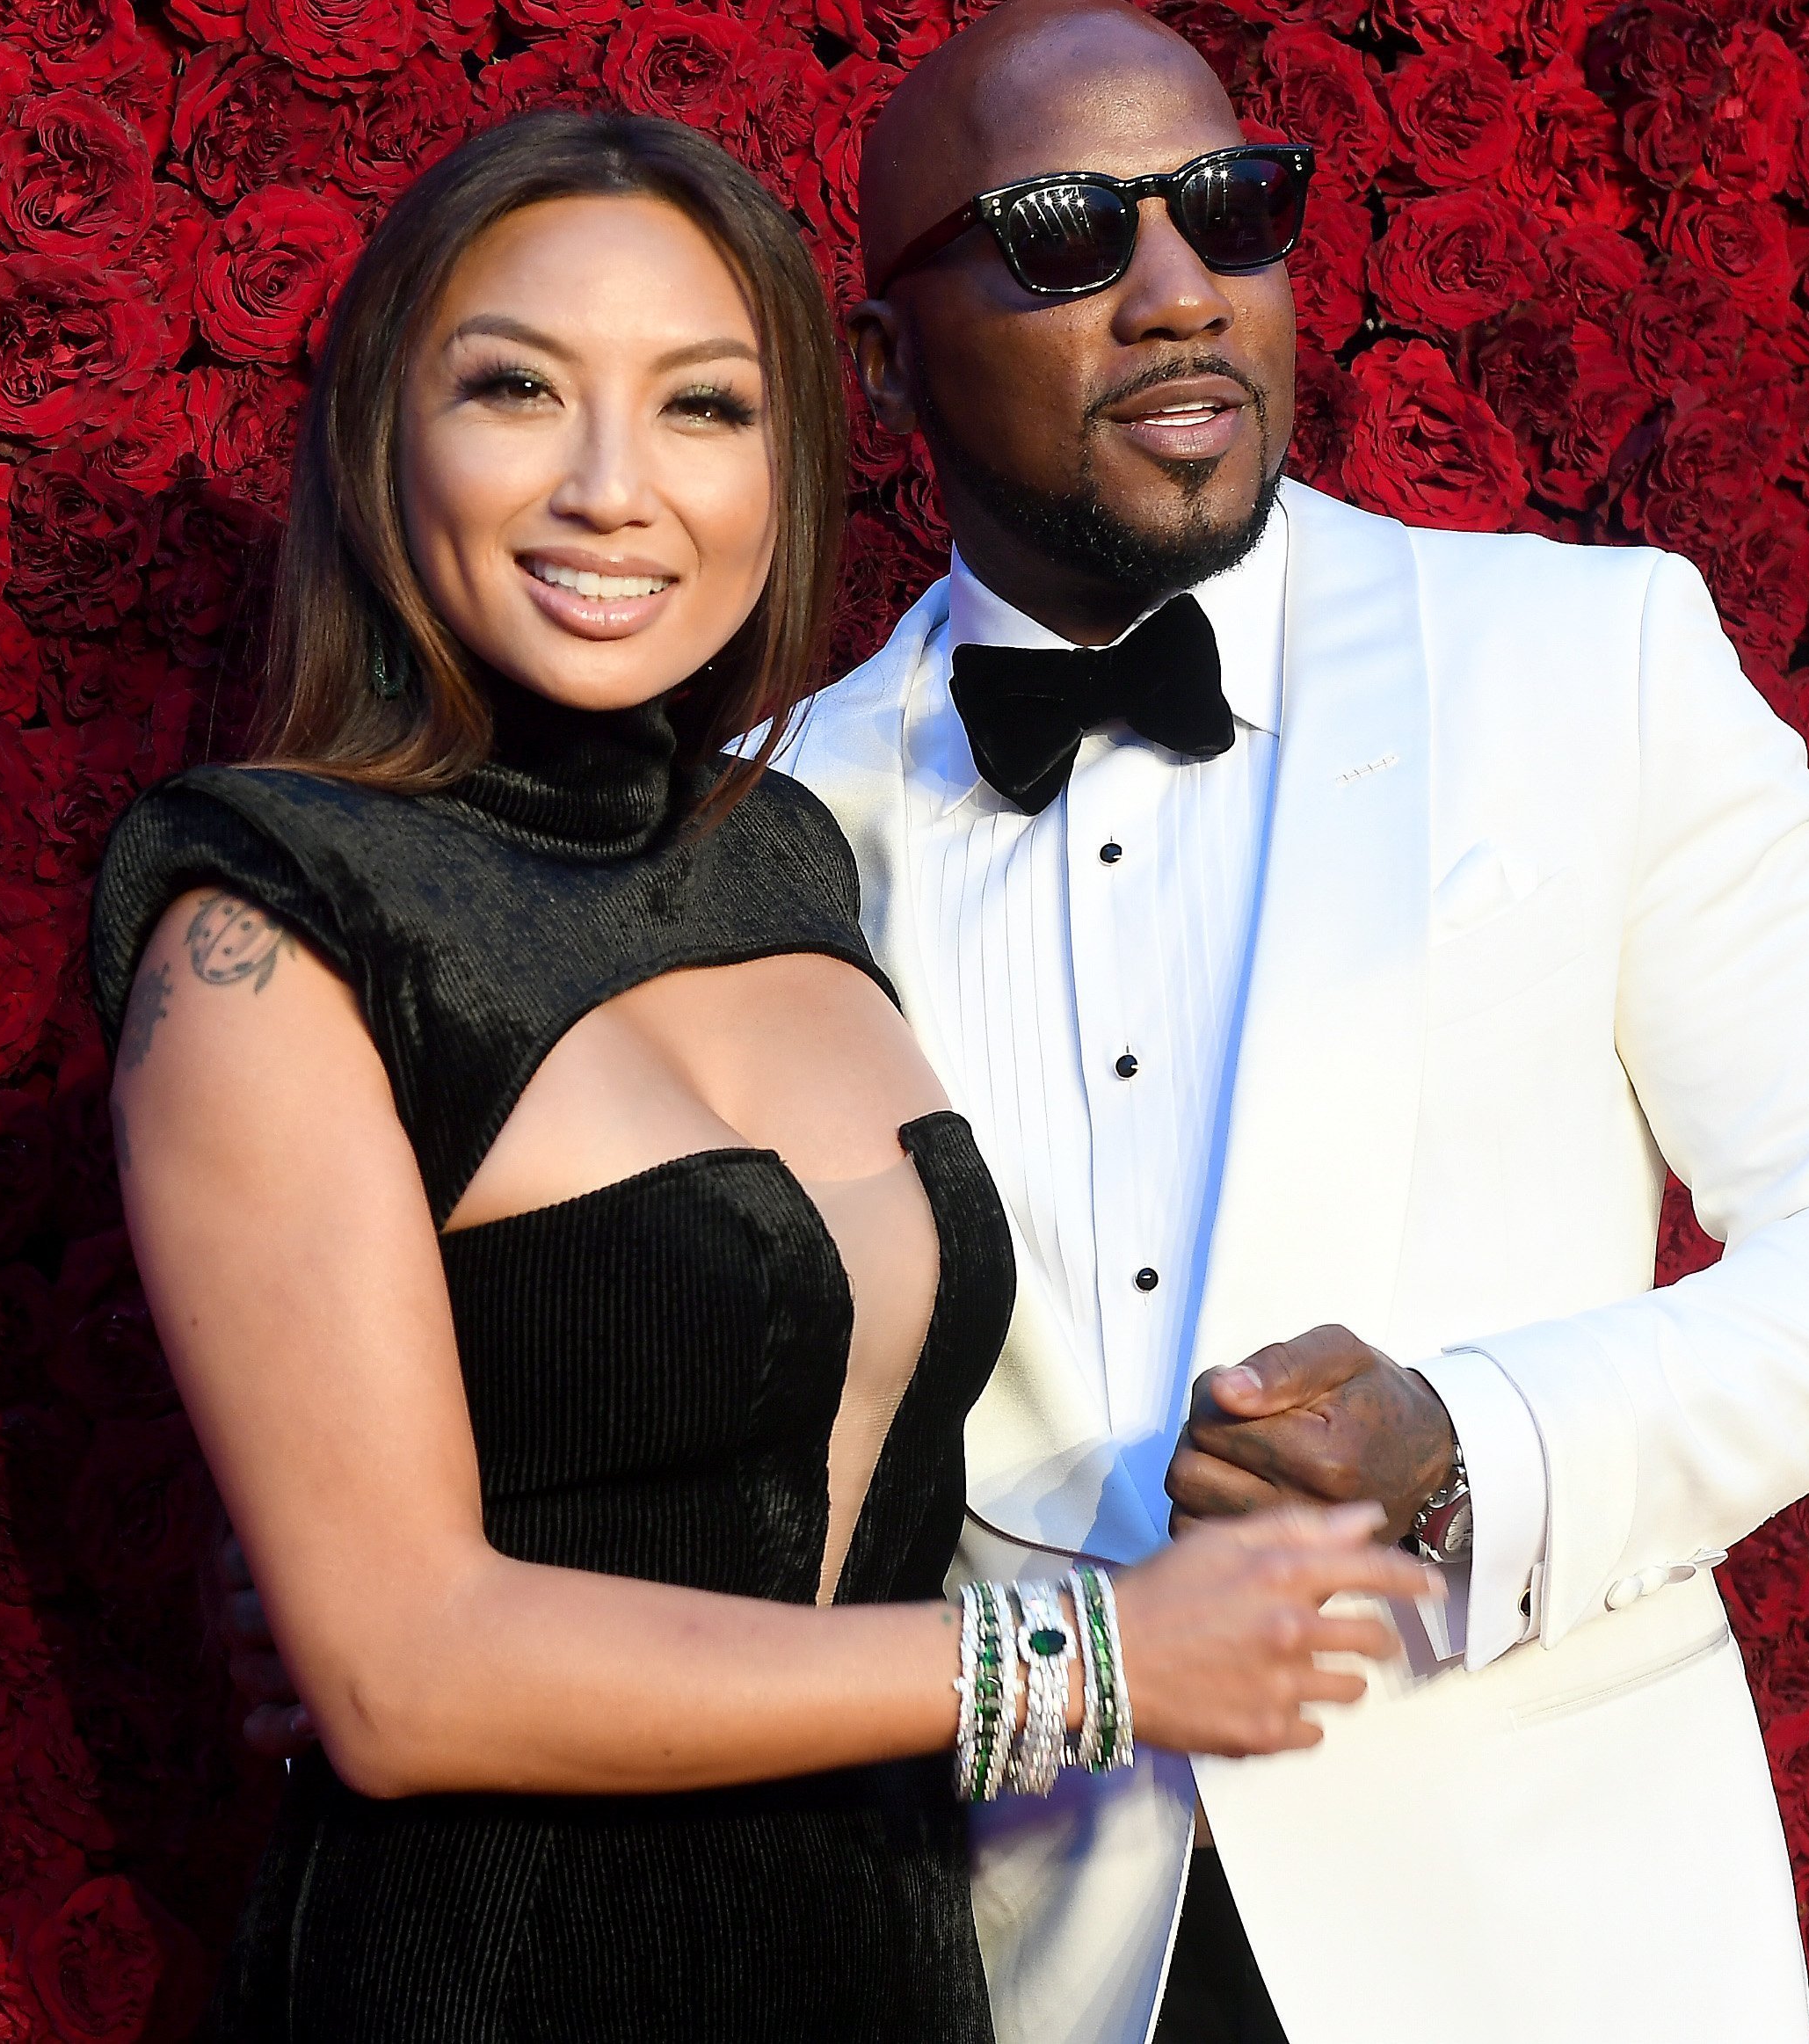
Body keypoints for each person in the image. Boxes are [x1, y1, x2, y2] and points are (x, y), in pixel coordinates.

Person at [89, 108, 1435, 2043]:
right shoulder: (268, 922)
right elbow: (396, 1679)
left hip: (886, 1973)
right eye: (515, 391)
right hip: (494, 1980)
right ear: (385, 435)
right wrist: (1094, 1666)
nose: (612, 491)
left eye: (702, 408)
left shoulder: (788, 854)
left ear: (790, 461)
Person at [787, 0, 1809, 2041]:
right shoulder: (773, 829)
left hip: (1542, 1950)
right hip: (1002, 1961)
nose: (1177, 294)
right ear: (881, 364)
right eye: (1061, 235)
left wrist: (1470, 1444)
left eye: (1228, 209)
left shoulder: (1590, 661)